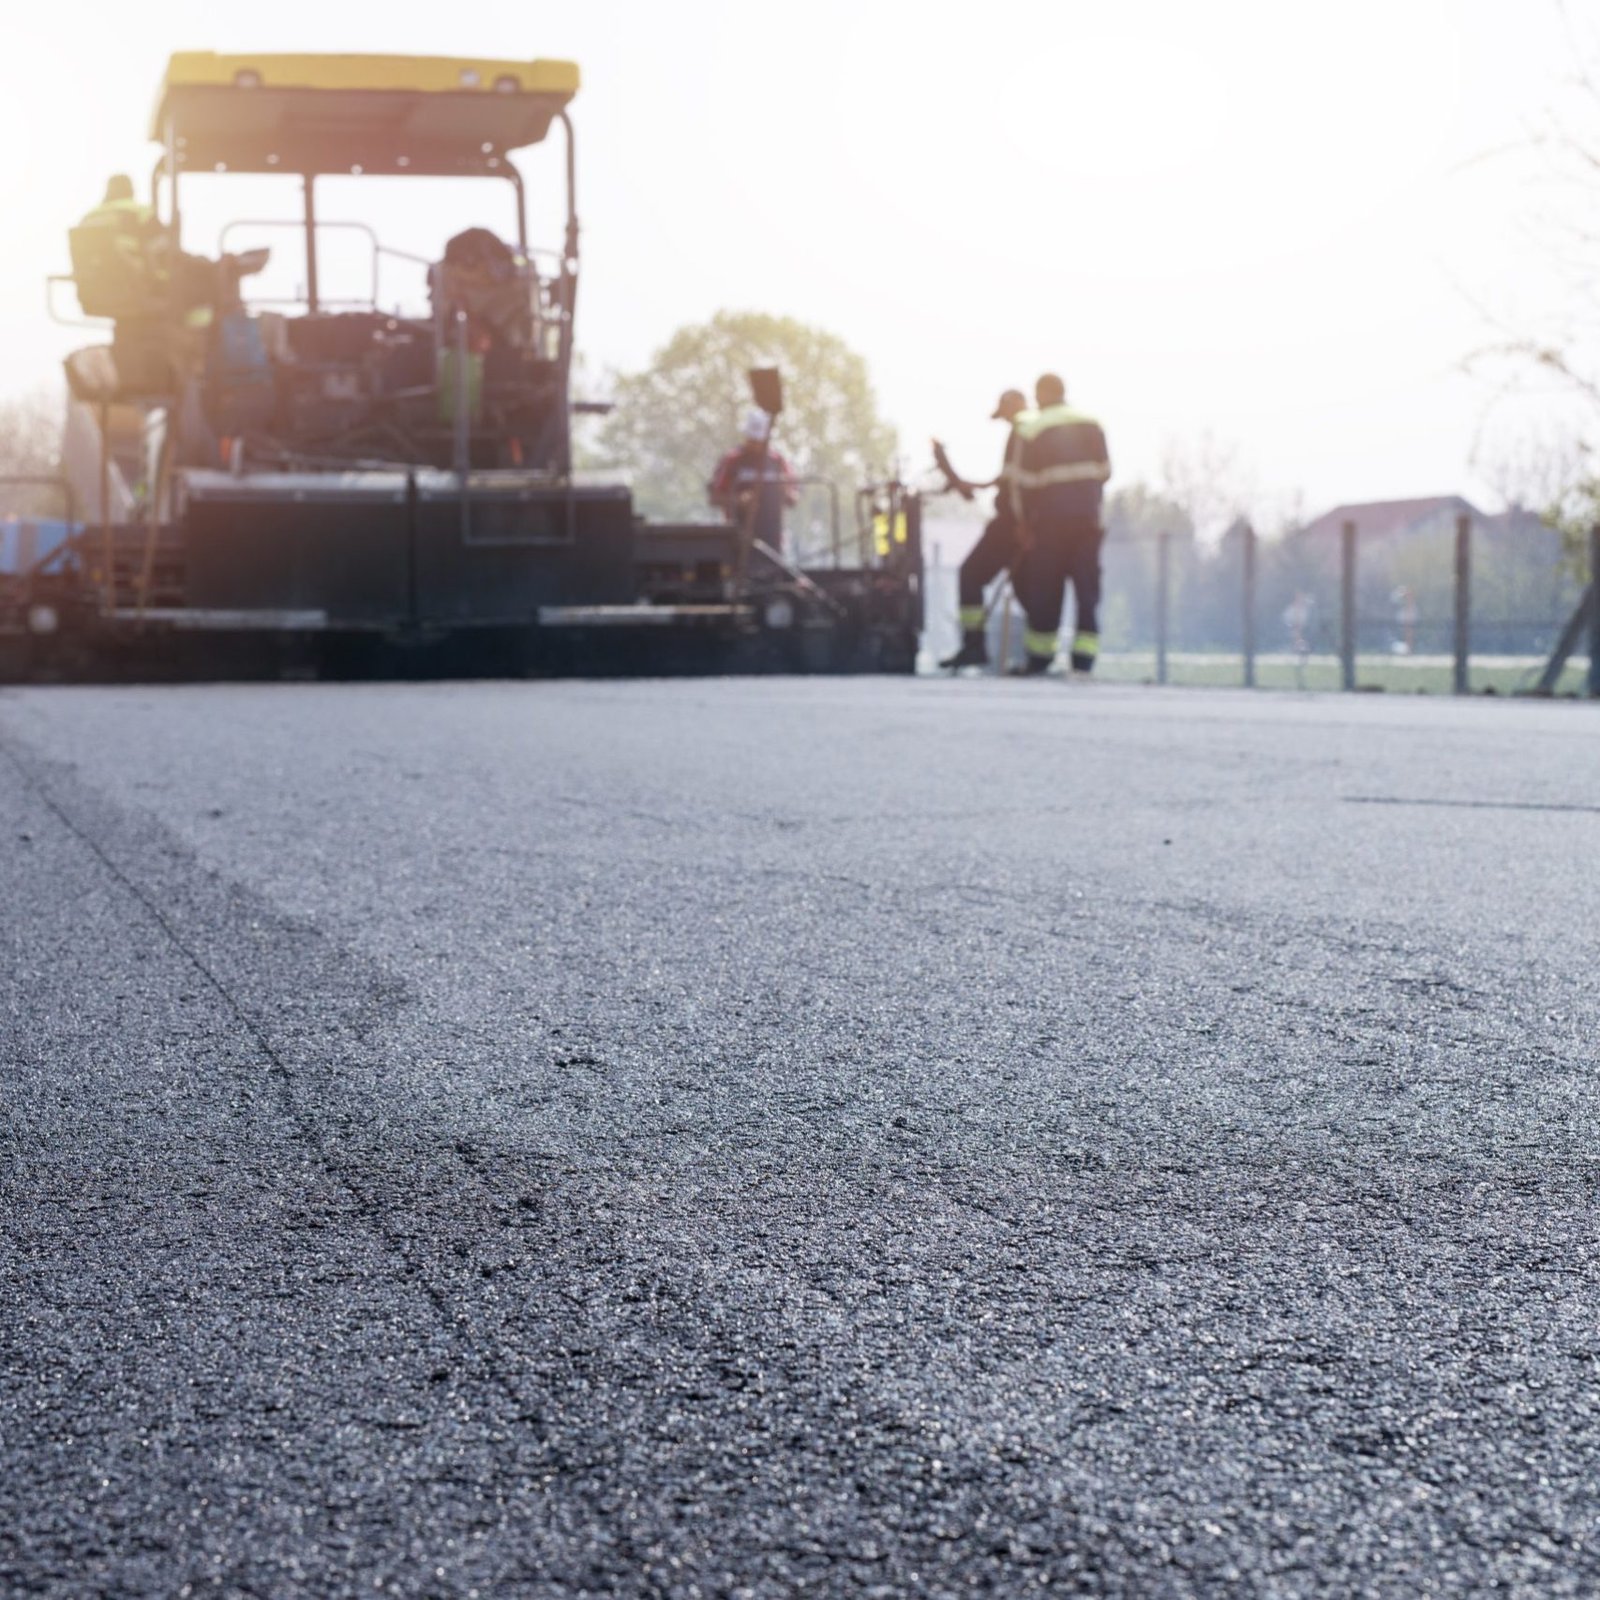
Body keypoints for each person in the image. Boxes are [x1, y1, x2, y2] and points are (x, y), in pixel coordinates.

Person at [1009, 372, 1111, 676]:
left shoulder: (1031, 429)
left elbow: (1021, 484)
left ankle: (1040, 658)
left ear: (1040, 394)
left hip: (1049, 524)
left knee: (1045, 591)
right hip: (1088, 522)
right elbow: (1105, 471)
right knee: (1087, 591)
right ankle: (1084, 660)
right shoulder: (1092, 423)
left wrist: (1023, 524)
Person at [939, 388, 1028, 670]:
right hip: (1019, 521)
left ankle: (974, 645)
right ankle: (1032, 655)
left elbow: (1016, 485)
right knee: (1027, 587)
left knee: (971, 574)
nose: (1004, 420)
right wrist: (973, 485)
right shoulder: (1023, 434)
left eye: (1005, 414)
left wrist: (1021, 522)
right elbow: (1006, 480)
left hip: (1012, 523)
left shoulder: (1023, 432)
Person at [709, 409, 799, 554]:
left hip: (773, 541)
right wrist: (738, 500)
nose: (756, 445)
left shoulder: (778, 461)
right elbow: (715, 497)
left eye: (759, 440)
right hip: (738, 540)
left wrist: (784, 491)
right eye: (752, 440)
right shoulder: (732, 460)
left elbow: (793, 498)